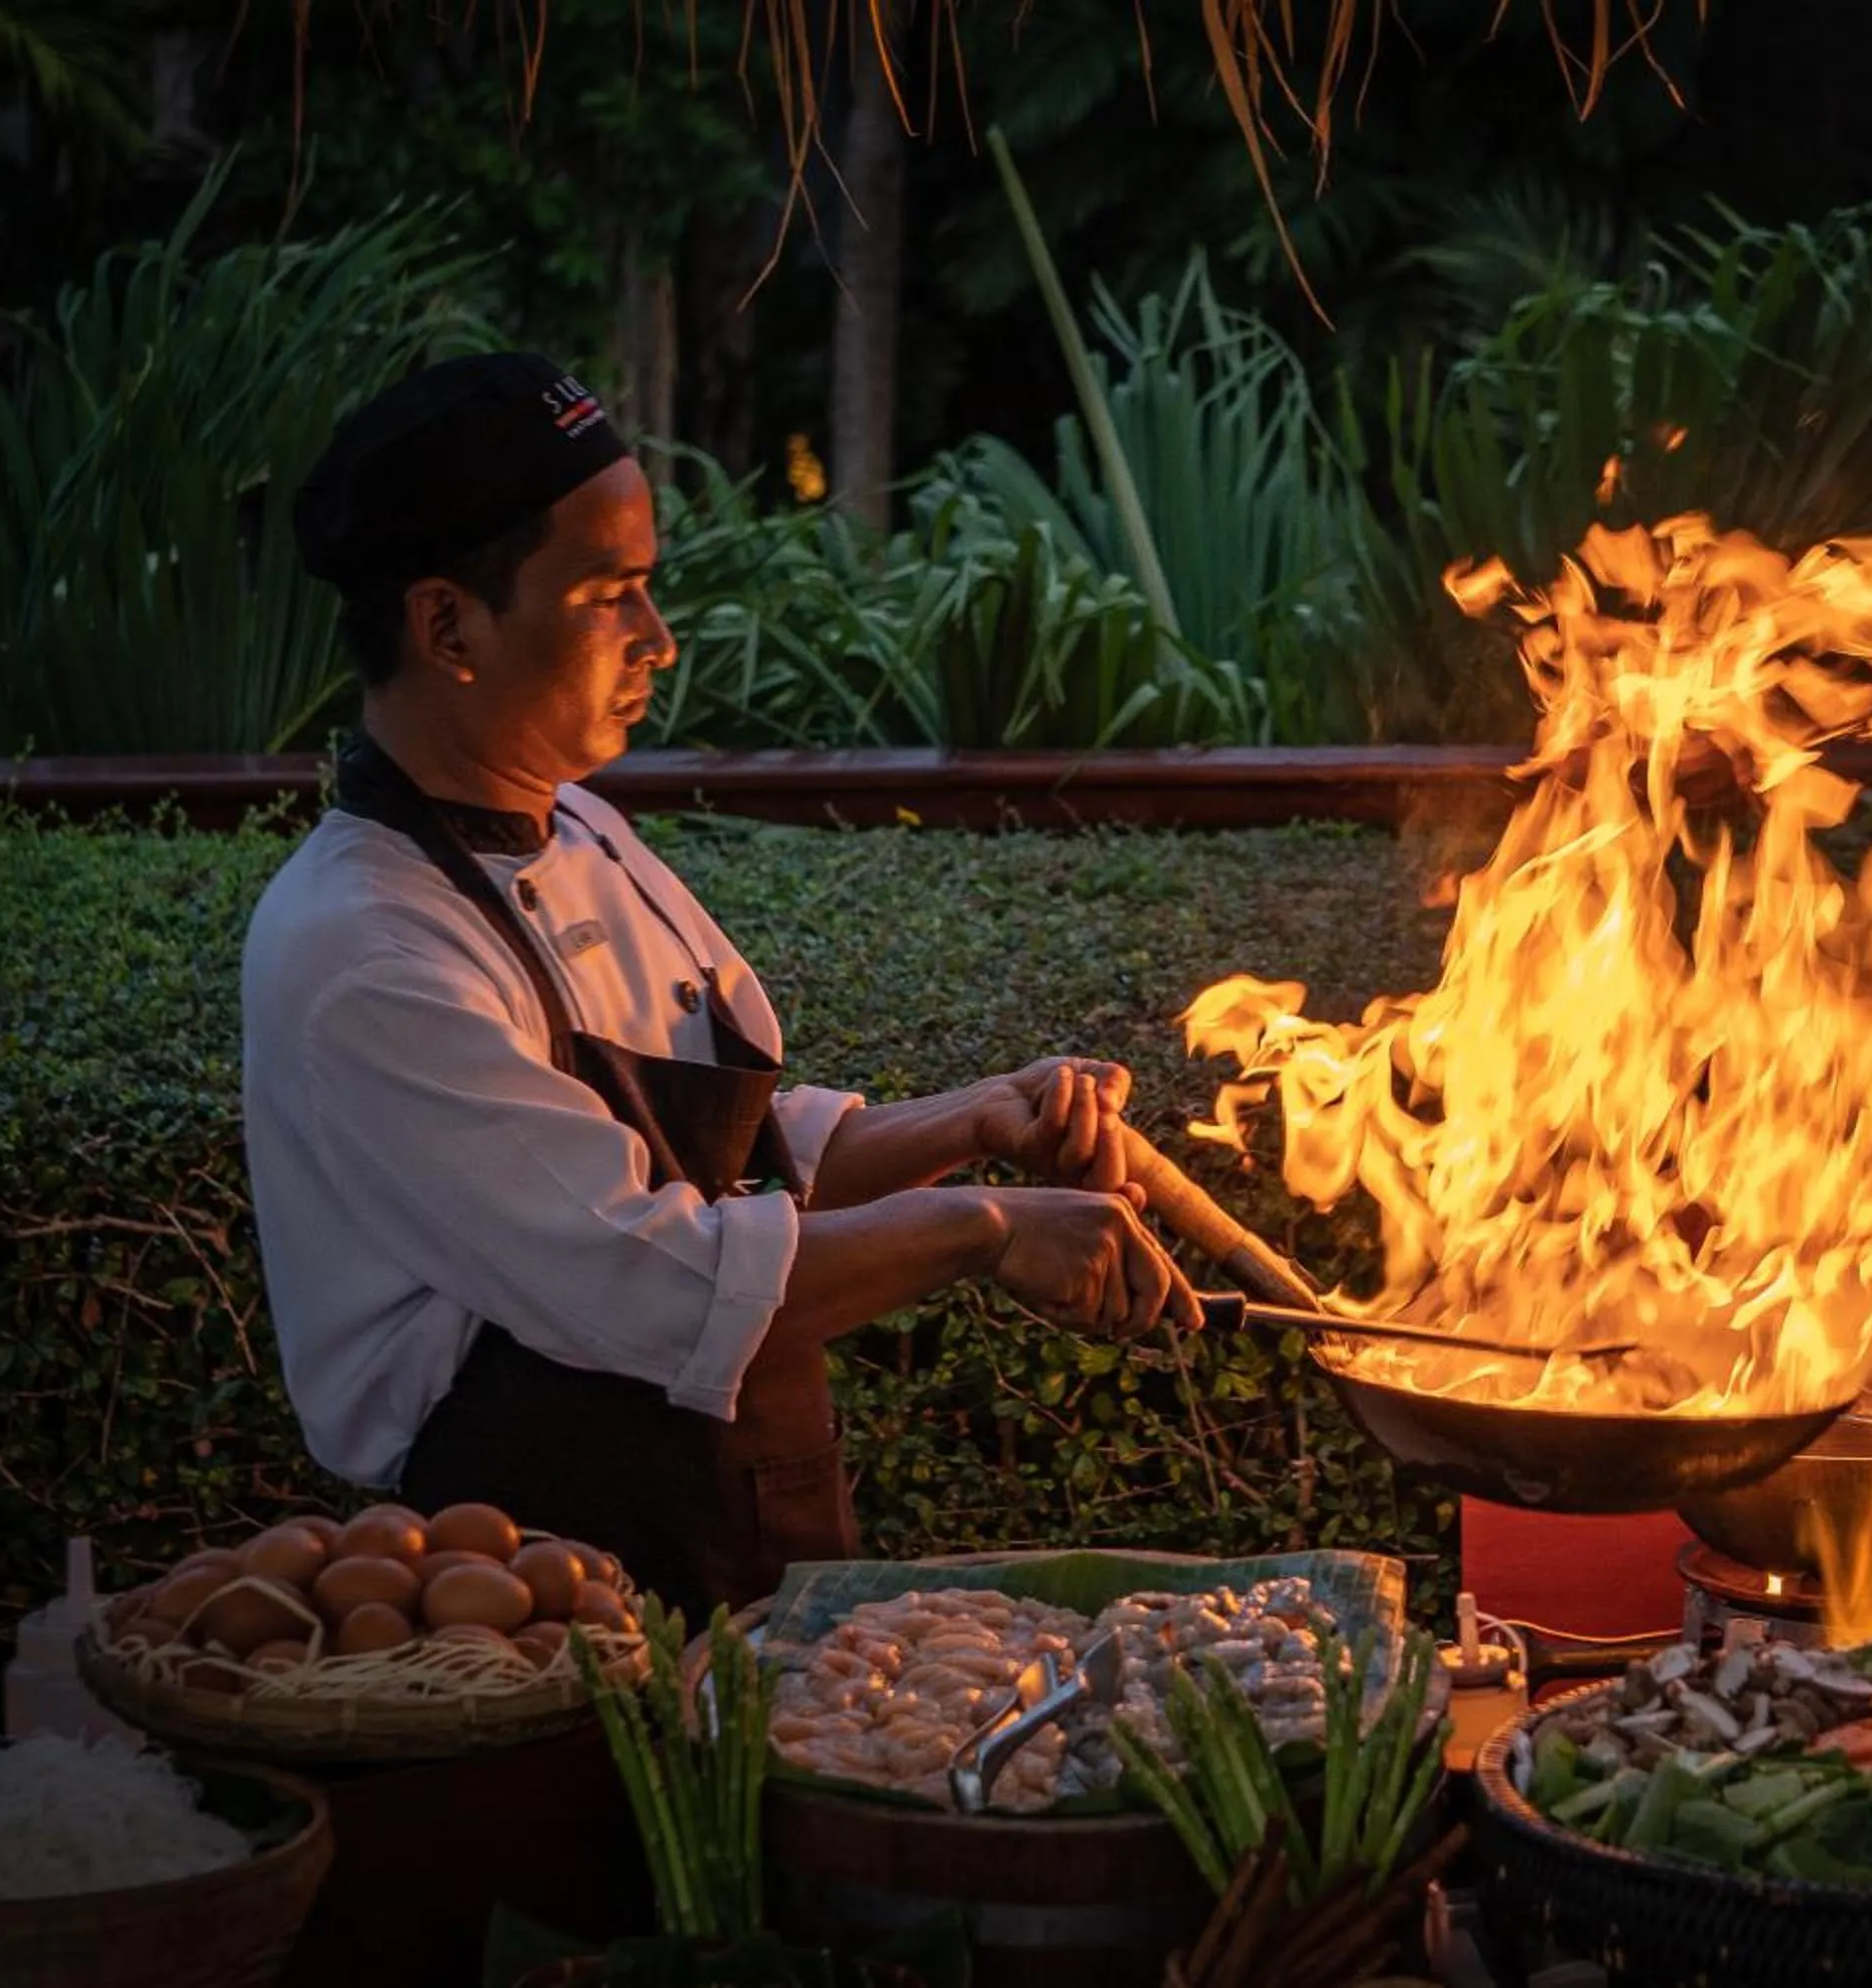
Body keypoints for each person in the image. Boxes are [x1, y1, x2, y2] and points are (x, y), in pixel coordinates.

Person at [241, 354, 1200, 1619]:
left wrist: (973, 1120)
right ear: (446, 626)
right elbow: (661, 1280)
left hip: (750, 1518)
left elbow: (736, 1158)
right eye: (610, 596)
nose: (660, 641)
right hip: (541, 1588)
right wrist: (991, 1226)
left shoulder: (578, 826)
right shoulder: (368, 954)